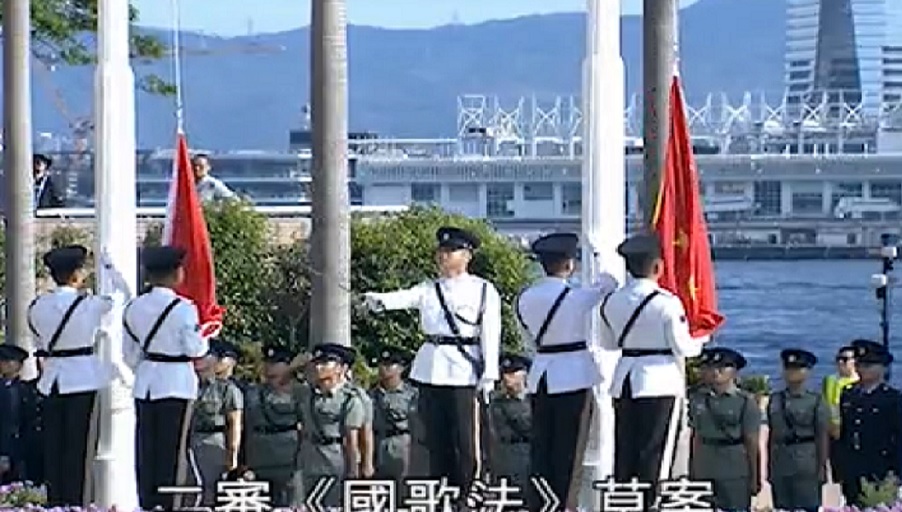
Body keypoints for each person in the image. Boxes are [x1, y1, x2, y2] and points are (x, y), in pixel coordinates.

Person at [363, 226, 502, 497]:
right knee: (434, 440)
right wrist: (378, 300)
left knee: (465, 440)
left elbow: (490, 332)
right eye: (441, 251)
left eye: (451, 251)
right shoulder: (429, 289)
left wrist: (489, 373)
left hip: (464, 370)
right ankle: (439, 496)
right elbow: (405, 297)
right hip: (433, 368)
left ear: (467, 256)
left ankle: (466, 495)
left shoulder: (483, 290)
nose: (443, 256)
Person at [600, 233, 704, 506]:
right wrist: (702, 338)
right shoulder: (666, 302)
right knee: (655, 454)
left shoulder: (611, 301)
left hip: (624, 379)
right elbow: (683, 347)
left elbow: (608, 344)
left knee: (625, 452)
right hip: (658, 381)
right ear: (657, 266)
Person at [516, 232, 617, 511]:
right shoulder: (578, 297)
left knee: (542, 448)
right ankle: (565, 506)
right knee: (570, 452)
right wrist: (597, 257)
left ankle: (539, 503)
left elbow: (527, 339)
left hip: (542, 375)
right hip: (574, 375)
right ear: (569, 264)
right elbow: (609, 284)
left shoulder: (525, 298)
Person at [29, 245, 130, 506]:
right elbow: (123, 294)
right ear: (77, 275)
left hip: (51, 380)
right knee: (81, 449)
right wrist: (110, 268)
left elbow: (39, 343)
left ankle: (56, 503)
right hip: (83, 378)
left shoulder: (38, 306)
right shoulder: (90, 304)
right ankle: (77, 503)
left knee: (54, 448)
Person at [123, 245, 210, 511]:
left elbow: (129, 353)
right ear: (175, 274)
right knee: (173, 452)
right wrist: (206, 336)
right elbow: (195, 348)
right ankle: (170, 504)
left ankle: (148, 503)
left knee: (146, 449)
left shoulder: (134, 307)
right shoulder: (183, 308)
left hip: (146, 381)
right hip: (176, 383)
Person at [688, 347, 760, 512]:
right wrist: (692, 470)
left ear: (734, 371)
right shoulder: (697, 398)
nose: (716, 372)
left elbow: (752, 442)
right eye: (711, 367)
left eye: (723, 367)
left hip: (734, 469)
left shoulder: (745, 401)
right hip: (705, 467)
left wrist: (754, 476)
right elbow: (696, 436)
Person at [835, 339, 902, 506]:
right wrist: (839, 467)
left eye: (868, 365)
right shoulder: (849, 394)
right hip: (853, 467)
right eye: (860, 364)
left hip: (881, 467)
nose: (862, 369)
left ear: (883, 367)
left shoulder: (892, 398)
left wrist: (897, 473)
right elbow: (845, 432)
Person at [298, 343, 366, 507]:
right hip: (309, 456)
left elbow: (352, 440)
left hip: (334, 457)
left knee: (331, 504)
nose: (319, 367)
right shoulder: (308, 394)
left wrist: (353, 471)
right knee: (308, 504)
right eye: (317, 363)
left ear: (341, 368)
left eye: (326, 363)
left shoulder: (350, 399)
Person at [767, 348, 828, 512]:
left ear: (807, 372)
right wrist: (769, 467)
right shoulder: (775, 398)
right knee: (782, 507)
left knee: (808, 506)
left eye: (797, 369)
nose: (792, 373)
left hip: (806, 463)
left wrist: (822, 467)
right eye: (788, 368)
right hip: (781, 463)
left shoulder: (816, 400)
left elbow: (822, 435)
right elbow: (772, 434)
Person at [243, 345, 305, 507]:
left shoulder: (300, 392)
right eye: (267, 362)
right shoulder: (252, 391)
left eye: (276, 363)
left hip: (288, 458)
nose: (269, 367)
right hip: (259, 459)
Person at [189, 340, 244, 505]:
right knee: (189, 490)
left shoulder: (226, 389)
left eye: (206, 355)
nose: (199, 359)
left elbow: (234, 423)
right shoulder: (188, 384)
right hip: (189, 442)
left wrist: (232, 455)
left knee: (210, 491)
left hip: (213, 442)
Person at [370, 347, 418, 480]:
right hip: (378, 443)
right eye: (381, 364)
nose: (383, 368)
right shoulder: (371, 394)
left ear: (401, 368)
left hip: (402, 443)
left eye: (389, 365)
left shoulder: (411, 394)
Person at [0, 345, 42, 485]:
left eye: (8, 361)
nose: (4, 364)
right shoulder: (3, 389)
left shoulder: (27, 389)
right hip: (6, 447)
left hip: (25, 450)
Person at [490, 353, 531, 491]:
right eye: (505, 373)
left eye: (513, 373)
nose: (508, 378)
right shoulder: (498, 403)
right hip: (507, 459)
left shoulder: (536, 401)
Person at [821, 344, 858, 484]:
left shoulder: (858, 381)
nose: (840, 362)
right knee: (837, 472)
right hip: (832, 432)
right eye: (838, 359)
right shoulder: (830, 380)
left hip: (849, 432)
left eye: (845, 359)